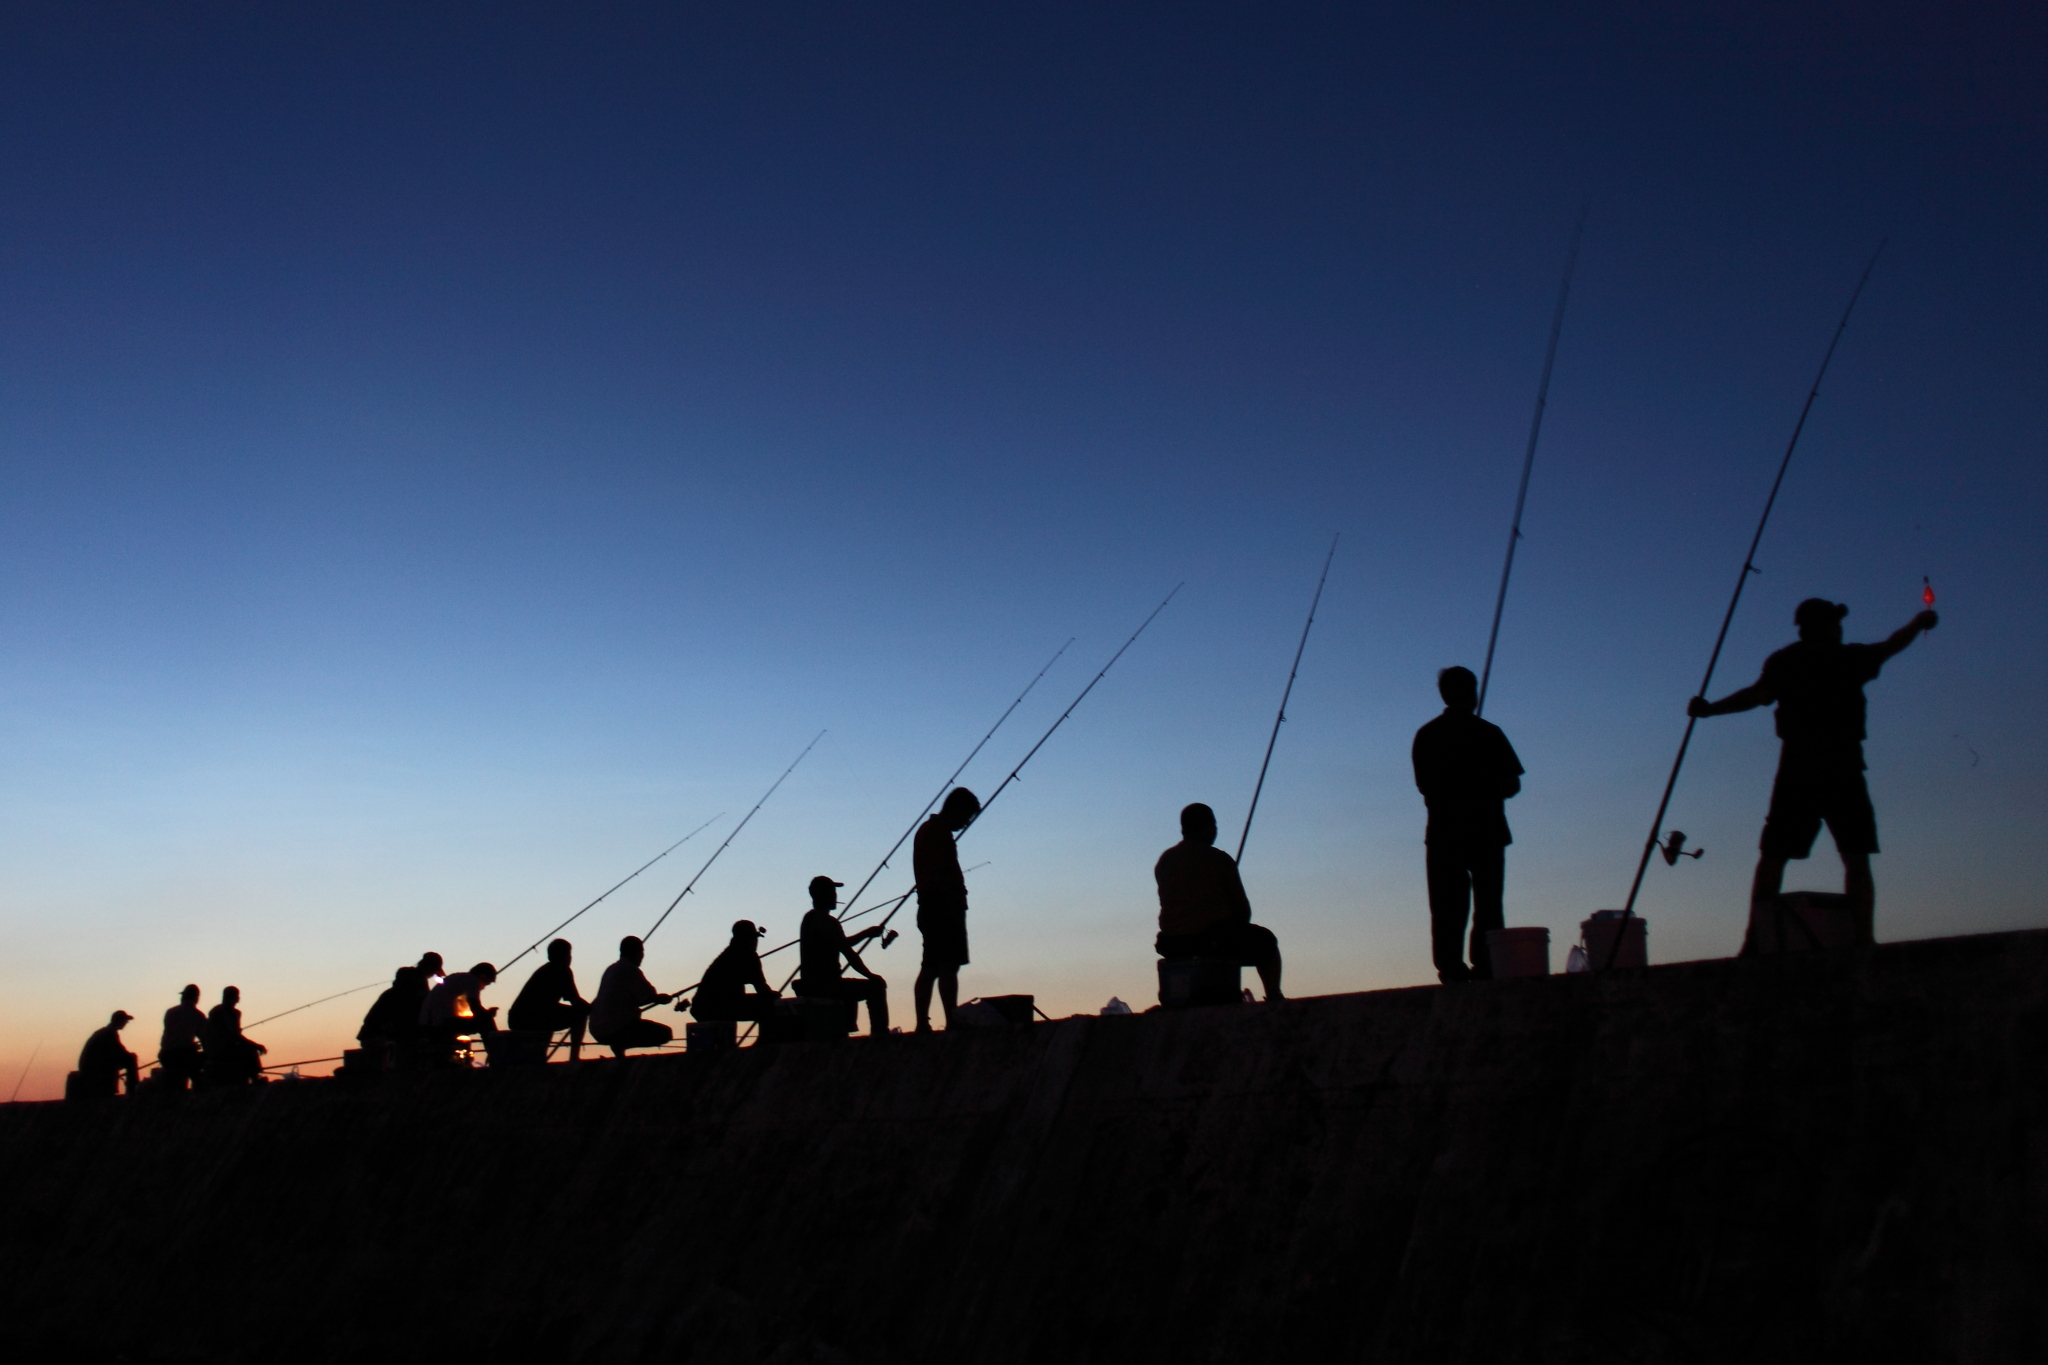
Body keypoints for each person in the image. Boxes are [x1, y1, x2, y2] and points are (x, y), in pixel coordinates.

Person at [1689, 597, 1937, 925]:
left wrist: (1709, 710)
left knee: (1774, 858)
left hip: (1797, 768)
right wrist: (1918, 623)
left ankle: (1756, 941)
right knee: (1856, 859)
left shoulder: (1785, 661)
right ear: (1821, 625)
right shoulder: (1848, 658)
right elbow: (1893, 645)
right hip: (1843, 767)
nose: (1840, 628)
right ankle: (1863, 941)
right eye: (1835, 622)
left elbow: (1755, 696)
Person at [1412, 666, 1526, 983]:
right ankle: (1486, 965)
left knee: (1447, 906)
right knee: (1489, 903)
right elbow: (1512, 784)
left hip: (1443, 834)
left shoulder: (1427, 735)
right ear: (1473, 692)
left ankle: (1450, 967)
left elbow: (1424, 785)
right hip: (1486, 831)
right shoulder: (1489, 732)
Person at [1153, 802, 1283, 1000]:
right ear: (1207, 827)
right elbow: (1242, 913)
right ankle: (1274, 997)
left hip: (1173, 944)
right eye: (1213, 825)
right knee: (1267, 942)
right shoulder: (1220, 860)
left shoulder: (1165, 861)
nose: (1215, 830)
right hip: (1209, 942)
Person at [912, 787, 980, 1032]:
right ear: (955, 808)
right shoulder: (937, 833)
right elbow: (941, 874)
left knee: (930, 966)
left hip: (931, 906)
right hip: (941, 907)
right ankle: (951, 1020)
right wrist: (954, 906)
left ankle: (923, 1023)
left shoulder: (928, 831)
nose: (965, 823)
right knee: (947, 966)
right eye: (966, 817)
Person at [796, 878, 889, 1036]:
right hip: (827, 986)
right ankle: (880, 1035)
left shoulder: (809, 919)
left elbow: (840, 942)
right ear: (823, 895)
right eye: (833, 893)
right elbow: (848, 953)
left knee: (852, 986)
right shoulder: (828, 921)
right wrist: (871, 976)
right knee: (876, 987)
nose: (836, 897)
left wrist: (867, 934)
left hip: (811, 984)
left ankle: (844, 1029)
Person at [588, 936, 674, 1058]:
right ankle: (620, 1045)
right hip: (617, 1028)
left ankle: (619, 1048)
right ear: (635, 952)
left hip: (596, 1029)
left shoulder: (611, 969)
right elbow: (648, 996)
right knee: (665, 1034)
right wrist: (661, 999)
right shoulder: (630, 970)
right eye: (641, 951)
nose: (642, 955)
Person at [508, 940, 591, 1060]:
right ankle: (574, 1057)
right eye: (569, 954)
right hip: (533, 1016)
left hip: (517, 1018)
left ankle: (540, 1056)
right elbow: (575, 1001)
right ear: (564, 955)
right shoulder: (562, 970)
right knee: (579, 1015)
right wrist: (592, 1009)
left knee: (553, 1013)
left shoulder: (544, 970)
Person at [690, 921, 783, 1027]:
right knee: (768, 1004)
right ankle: (767, 1040)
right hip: (718, 1006)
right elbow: (761, 988)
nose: (755, 941)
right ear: (745, 938)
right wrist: (774, 996)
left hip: (703, 1007)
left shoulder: (729, 953)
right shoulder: (748, 956)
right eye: (752, 937)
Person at [421, 963, 499, 1061]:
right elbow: (475, 1007)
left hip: (429, 1023)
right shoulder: (472, 980)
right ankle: (497, 1055)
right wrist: (487, 1015)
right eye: (487, 983)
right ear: (482, 976)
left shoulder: (458, 979)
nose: (485, 987)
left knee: (483, 1019)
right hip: (439, 1024)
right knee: (486, 1022)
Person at [356, 966, 426, 1065]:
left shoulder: (392, 994)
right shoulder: (399, 997)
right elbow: (404, 1024)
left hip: (373, 1037)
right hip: (376, 1038)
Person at [203, 987, 266, 1085]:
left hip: (220, 1049)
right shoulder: (220, 1012)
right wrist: (255, 1046)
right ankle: (255, 1077)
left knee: (246, 1049)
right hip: (219, 1051)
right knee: (250, 1051)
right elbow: (233, 1036)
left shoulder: (227, 1012)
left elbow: (234, 1035)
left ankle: (254, 1076)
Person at [77, 1011, 140, 1097]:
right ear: (119, 1021)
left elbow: (118, 1052)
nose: (126, 1023)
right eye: (125, 1021)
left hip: (91, 1069)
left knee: (129, 1058)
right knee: (131, 1059)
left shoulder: (105, 1032)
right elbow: (121, 1053)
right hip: (95, 1071)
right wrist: (132, 1057)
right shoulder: (109, 1034)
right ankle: (133, 1091)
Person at [159, 985, 207, 1091]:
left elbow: (173, 1034)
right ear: (196, 998)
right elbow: (205, 1039)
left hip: (165, 1055)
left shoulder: (170, 1012)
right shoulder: (198, 1015)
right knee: (203, 1064)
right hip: (184, 1056)